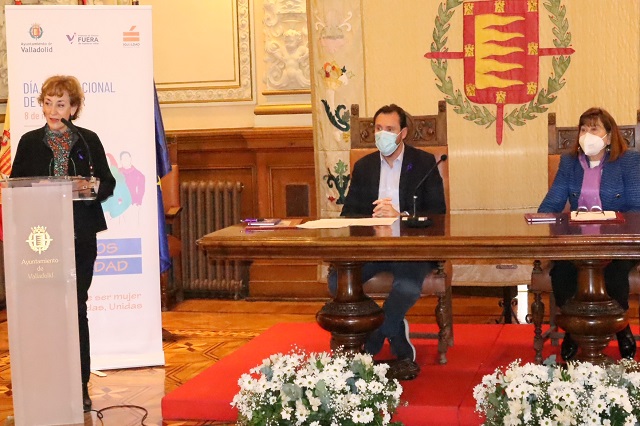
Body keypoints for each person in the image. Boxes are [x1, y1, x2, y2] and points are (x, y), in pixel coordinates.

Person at [10, 75, 116, 411]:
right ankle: (45, 383)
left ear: (73, 108)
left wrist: (88, 188)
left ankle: (79, 385)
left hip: (80, 235)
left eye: (61, 104)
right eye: (48, 103)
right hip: (41, 240)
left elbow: (108, 183)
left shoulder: (87, 140)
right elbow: (16, 187)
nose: (53, 110)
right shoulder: (28, 142)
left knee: (76, 307)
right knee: (45, 310)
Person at [328, 104, 446, 378]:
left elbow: (437, 214)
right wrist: (370, 219)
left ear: (402, 133)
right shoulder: (364, 166)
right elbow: (349, 215)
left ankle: (373, 339)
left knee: (406, 287)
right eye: (378, 128)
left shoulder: (424, 163)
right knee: (336, 282)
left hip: (411, 251)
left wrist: (400, 216)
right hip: (372, 249)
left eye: (390, 129)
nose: (383, 134)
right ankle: (394, 327)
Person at [538, 107, 640, 361]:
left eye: (594, 129)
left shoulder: (628, 161)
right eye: (583, 129)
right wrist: (540, 220)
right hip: (577, 243)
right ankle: (575, 329)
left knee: (613, 275)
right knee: (562, 273)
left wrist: (613, 226)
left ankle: (621, 327)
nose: (587, 134)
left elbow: (636, 208)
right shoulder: (569, 163)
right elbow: (552, 203)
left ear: (609, 135)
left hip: (618, 242)